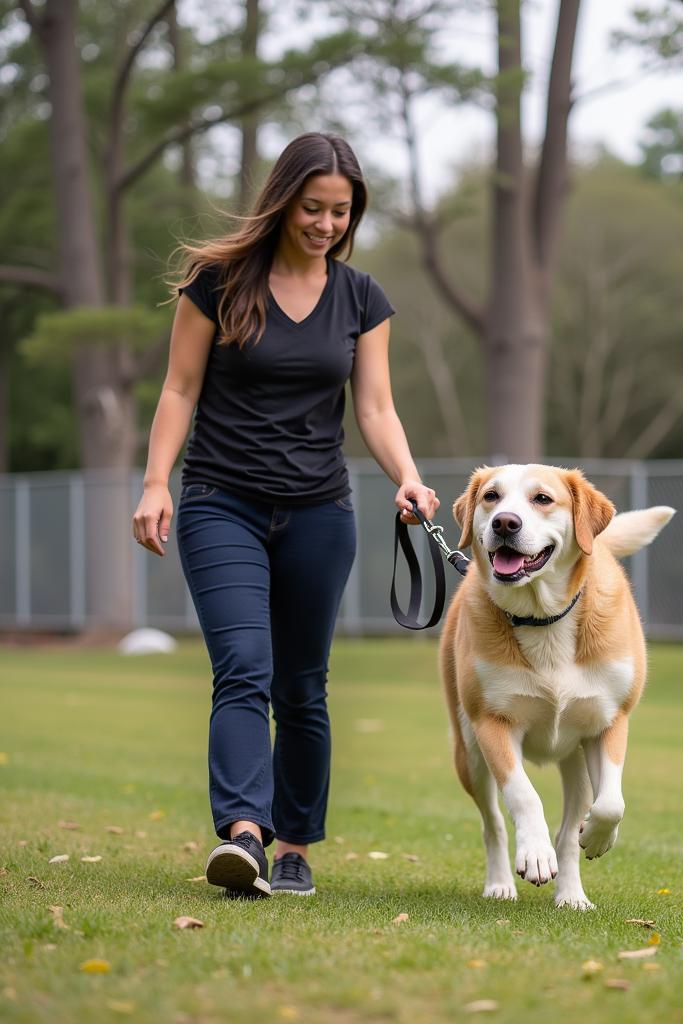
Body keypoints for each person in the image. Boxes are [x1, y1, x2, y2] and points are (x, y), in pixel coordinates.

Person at [131, 131, 439, 898]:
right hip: (219, 501)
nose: (326, 223)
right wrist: (155, 481)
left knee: (304, 684)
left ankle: (295, 845)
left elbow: (374, 405)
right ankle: (244, 836)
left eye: (340, 212)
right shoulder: (219, 281)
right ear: (283, 201)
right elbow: (178, 388)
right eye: (313, 207)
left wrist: (407, 476)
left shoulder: (362, 298)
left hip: (318, 513)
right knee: (244, 670)